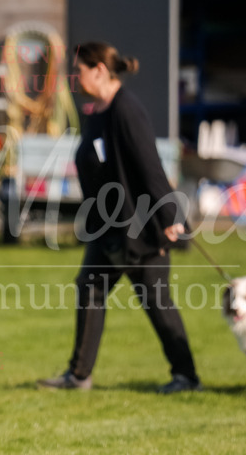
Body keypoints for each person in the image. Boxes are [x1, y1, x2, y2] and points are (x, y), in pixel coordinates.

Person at [38, 41, 201, 394]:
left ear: (98, 70)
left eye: (79, 71)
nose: (75, 78)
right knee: (91, 289)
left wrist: (171, 214)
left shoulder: (128, 110)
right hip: (110, 227)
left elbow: (150, 166)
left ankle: (186, 377)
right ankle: (79, 376)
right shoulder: (102, 110)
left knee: (157, 302)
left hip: (140, 228)